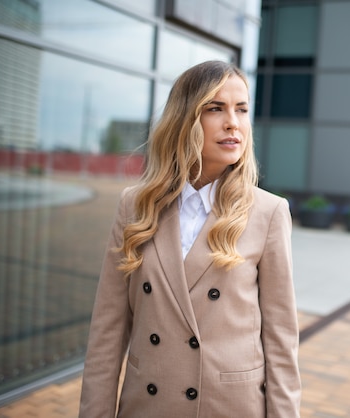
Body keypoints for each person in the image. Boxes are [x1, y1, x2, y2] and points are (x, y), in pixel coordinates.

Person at [78, 60, 301, 417]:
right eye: (215, 108)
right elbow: (107, 333)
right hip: (148, 405)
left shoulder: (269, 212)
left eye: (241, 109)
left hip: (228, 407)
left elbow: (281, 341)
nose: (233, 122)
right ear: (185, 119)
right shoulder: (136, 205)